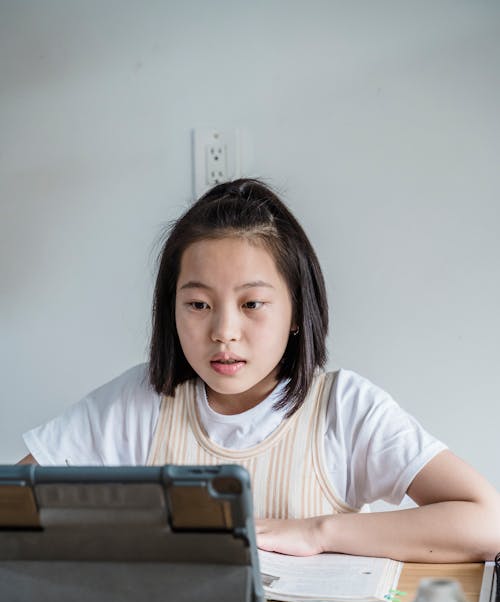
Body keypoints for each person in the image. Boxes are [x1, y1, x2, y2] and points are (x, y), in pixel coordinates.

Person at [20, 179, 500, 562]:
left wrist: (318, 532)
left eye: (252, 303)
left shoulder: (345, 409)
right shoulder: (139, 401)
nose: (223, 331)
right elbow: (13, 503)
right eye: (198, 304)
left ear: (296, 312)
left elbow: (486, 522)